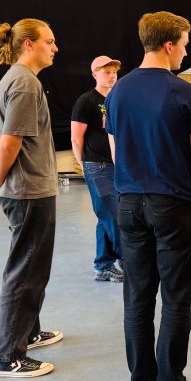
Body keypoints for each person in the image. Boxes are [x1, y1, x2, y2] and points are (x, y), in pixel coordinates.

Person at [104, 11, 191, 380]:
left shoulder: (117, 93)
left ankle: (141, 376)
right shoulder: (188, 95)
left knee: (137, 299)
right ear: (169, 45)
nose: (186, 51)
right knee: (175, 300)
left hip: (129, 204)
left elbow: (117, 154)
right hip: (174, 207)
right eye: (184, 44)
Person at [0, 19, 63, 377]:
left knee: (33, 268)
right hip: (28, 191)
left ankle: (28, 333)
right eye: (49, 42)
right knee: (26, 270)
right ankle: (8, 354)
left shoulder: (23, 79)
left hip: (32, 189)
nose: (55, 48)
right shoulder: (24, 82)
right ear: (28, 44)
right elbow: (9, 143)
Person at [71, 55, 124, 282]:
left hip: (116, 166)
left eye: (114, 72)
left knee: (105, 217)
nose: (111, 76)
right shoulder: (87, 101)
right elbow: (76, 138)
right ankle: (129, 260)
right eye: (106, 72)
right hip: (97, 167)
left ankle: (103, 266)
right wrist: (85, 166)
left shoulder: (116, 99)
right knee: (114, 217)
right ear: (94, 74)